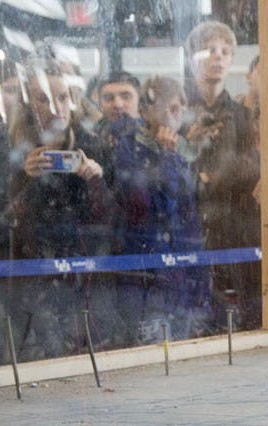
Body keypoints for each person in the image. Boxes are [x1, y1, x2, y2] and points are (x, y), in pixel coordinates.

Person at [5, 61, 116, 361]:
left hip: (85, 289)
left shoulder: (93, 147)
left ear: (74, 100)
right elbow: (5, 223)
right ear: (29, 106)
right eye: (44, 98)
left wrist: (96, 180)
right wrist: (23, 178)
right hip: (28, 290)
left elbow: (115, 226)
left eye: (64, 97)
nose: (57, 107)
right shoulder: (10, 152)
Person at [112, 76, 211, 344]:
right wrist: (165, 158)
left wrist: (201, 287)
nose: (176, 117)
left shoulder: (178, 154)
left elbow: (190, 222)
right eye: (171, 108)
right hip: (145, 277)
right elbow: (144, 205)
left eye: (181, 109)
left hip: (179, 280)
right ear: (146, 112)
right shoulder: (128, 149)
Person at [183, 20, 261, 330]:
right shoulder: (179, 110)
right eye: (209, 50)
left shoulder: (242, 116)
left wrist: (215, 178)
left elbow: (249, 168)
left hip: (232, 226)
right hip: (191, 223)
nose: (217, 57)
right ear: (192, 57)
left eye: (225, 51)